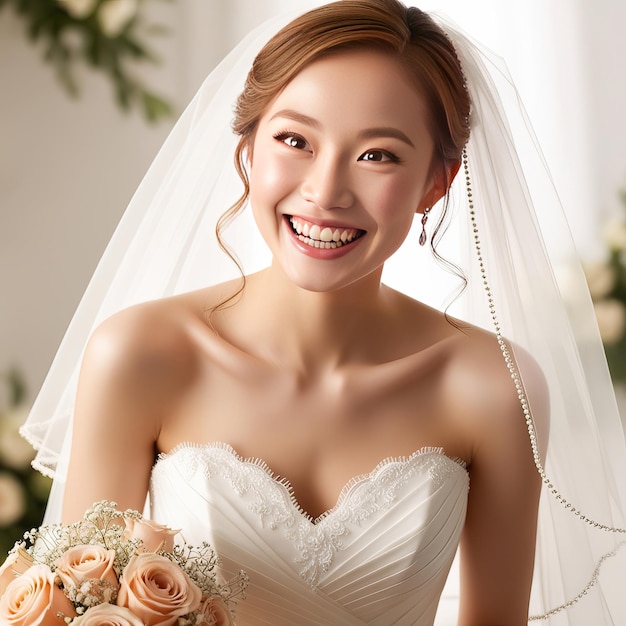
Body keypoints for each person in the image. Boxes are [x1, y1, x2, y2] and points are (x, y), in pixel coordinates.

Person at [20, 1, 626, 624]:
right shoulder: (141, 354)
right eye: (293, 140)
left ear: (436, 182)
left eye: (378, 155)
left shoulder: (494, 386)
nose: (325, 191)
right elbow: (83, 607)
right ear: (249, 148)